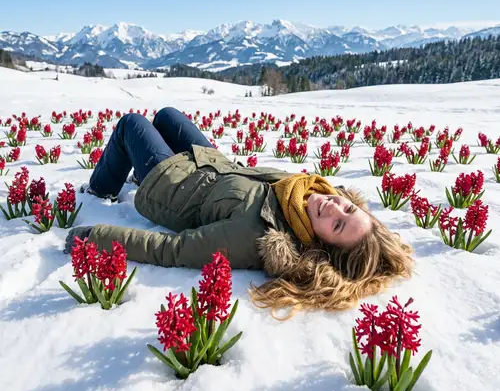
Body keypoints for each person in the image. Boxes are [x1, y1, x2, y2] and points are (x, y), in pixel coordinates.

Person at [67, 107, 413, 318]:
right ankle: (133, 164)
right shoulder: (307, 191)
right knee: (167, 116)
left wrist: (92, 237)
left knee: (132, 123)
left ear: (323, 245)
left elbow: (170, 250)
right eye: (347, 206)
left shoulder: (257, 236)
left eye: (337, 224)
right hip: (212, 165)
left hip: (172, 187)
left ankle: (100, 189)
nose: (333, 205)